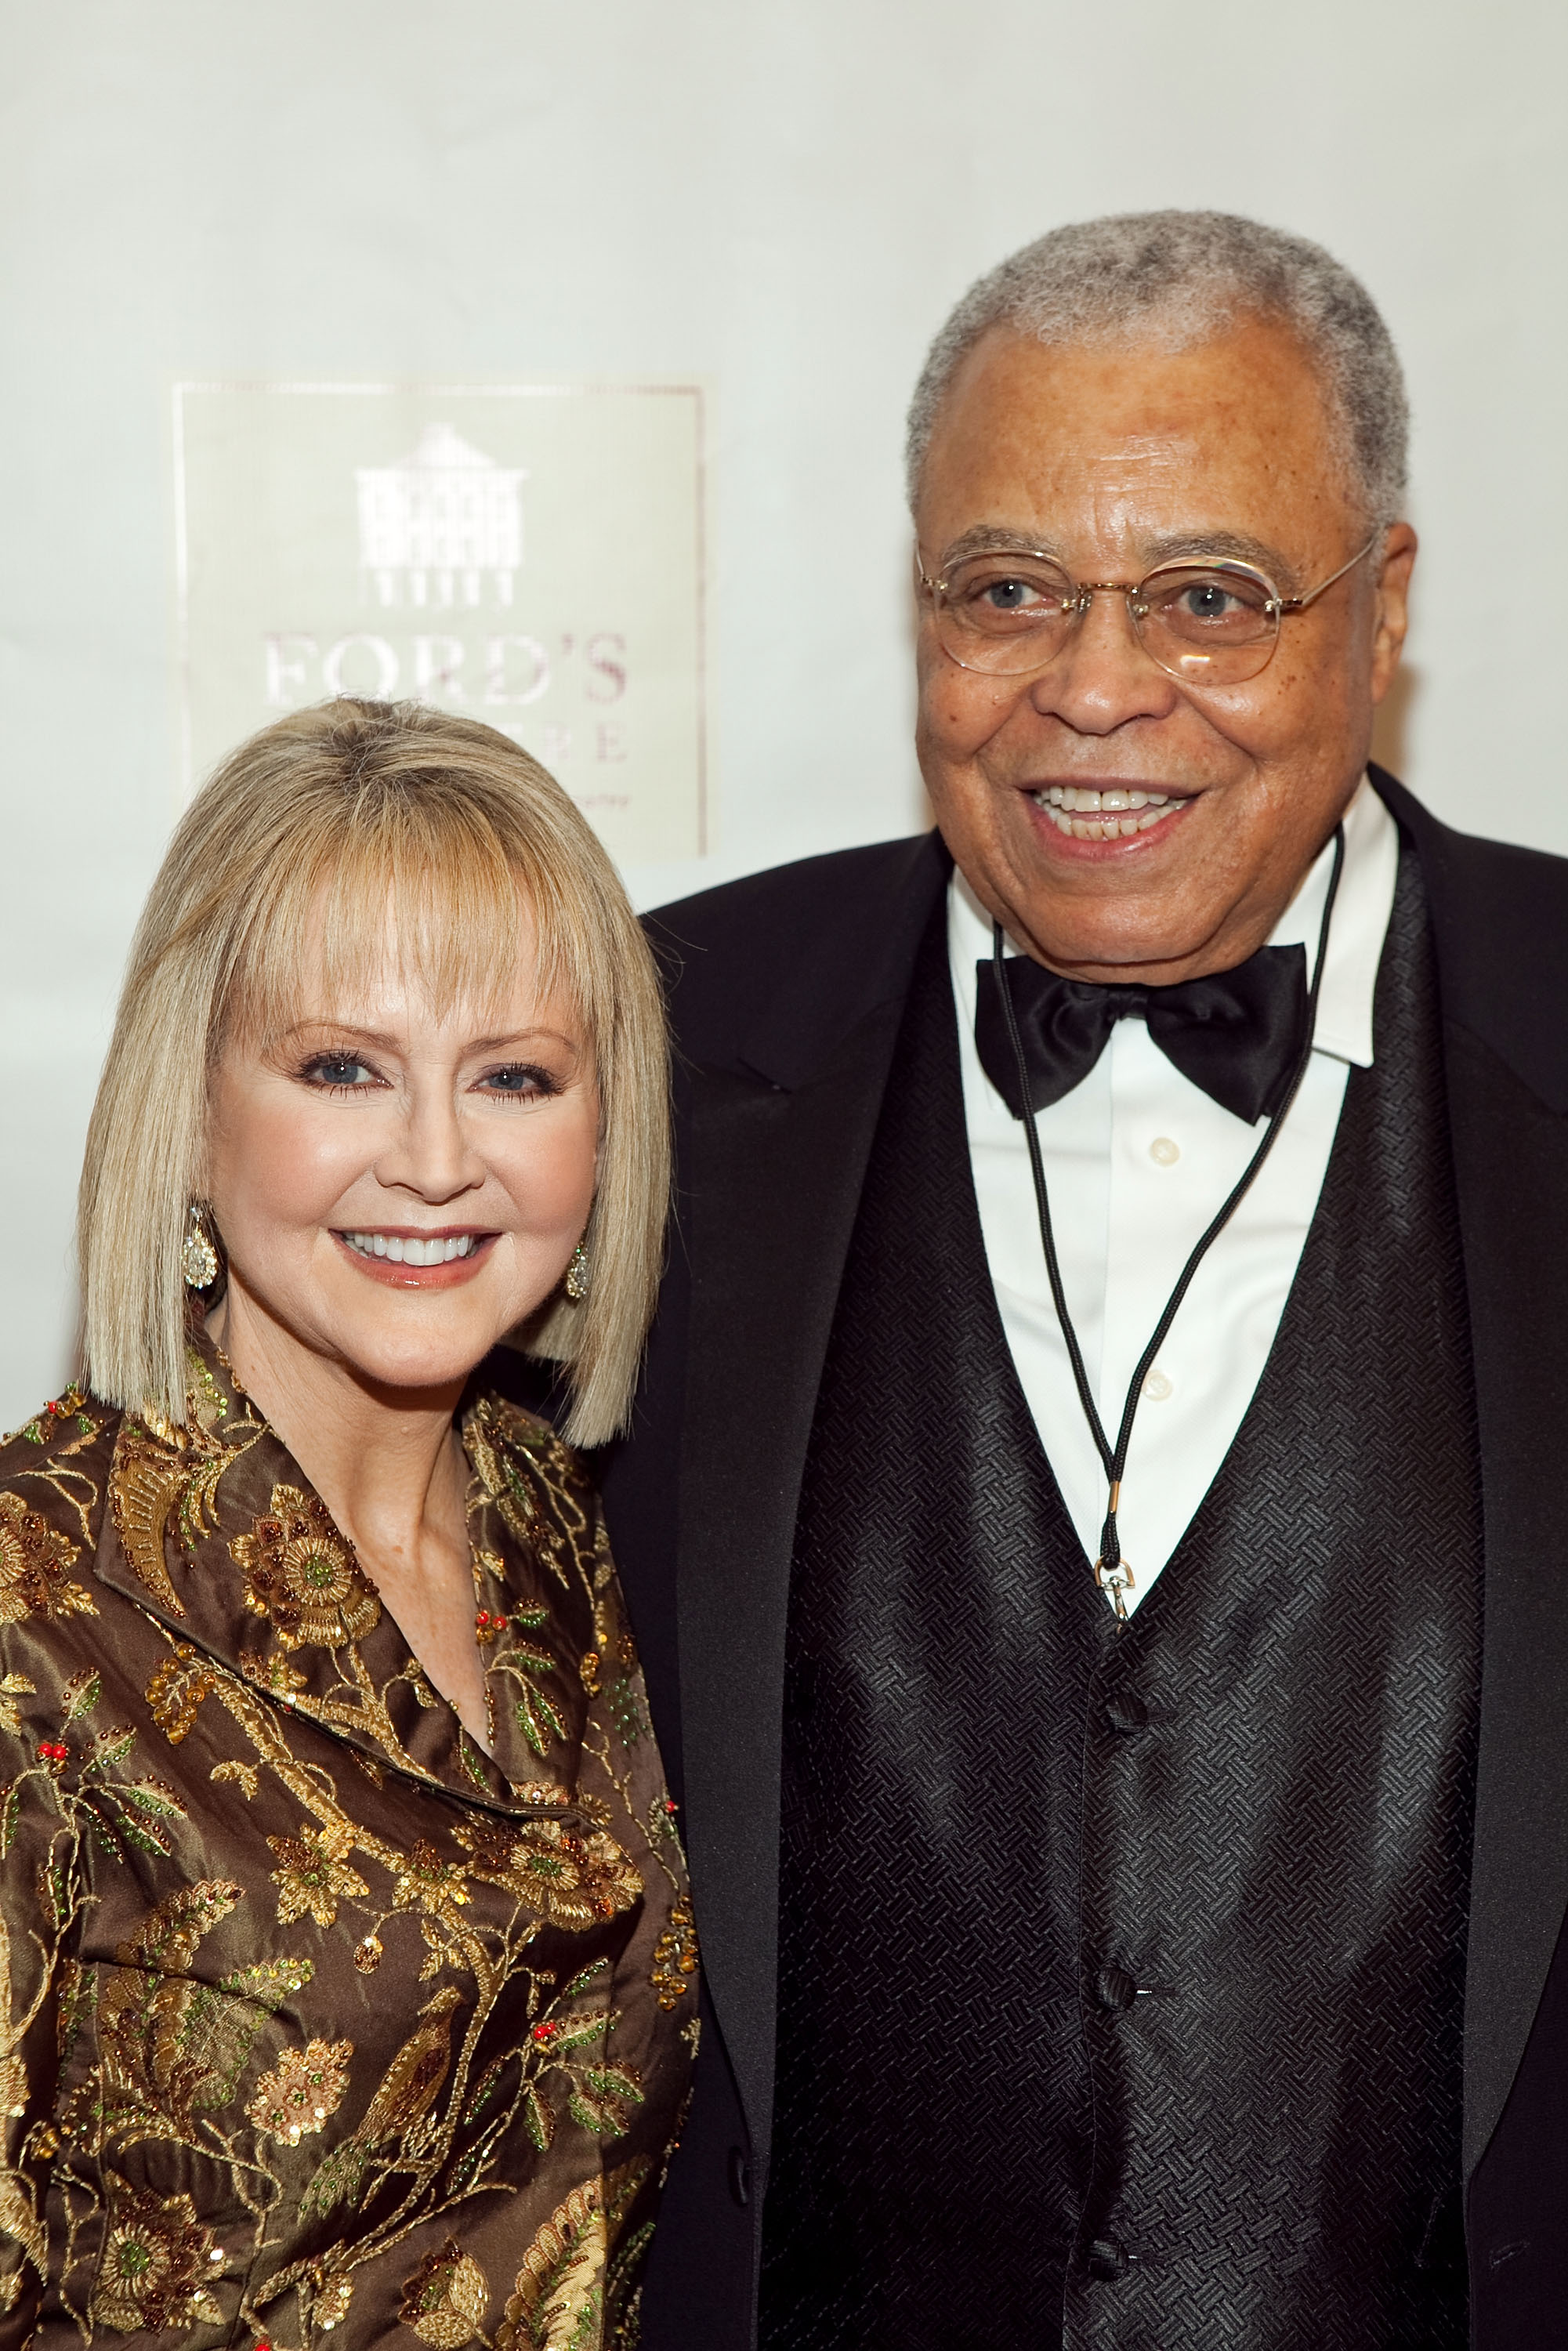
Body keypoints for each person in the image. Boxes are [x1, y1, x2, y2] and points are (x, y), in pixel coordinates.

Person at [603, 212, 1568, 2347]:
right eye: (1007, 589)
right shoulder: (643, 1050)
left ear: (1381, 607)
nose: (1097, 683)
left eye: (1210, 597)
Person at [0, 699, 697, 2348]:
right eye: (341, 1068)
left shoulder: (562, 1539)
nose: (439, 1160)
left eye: (514, 1076)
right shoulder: (34, 1602)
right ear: (189, 1109)